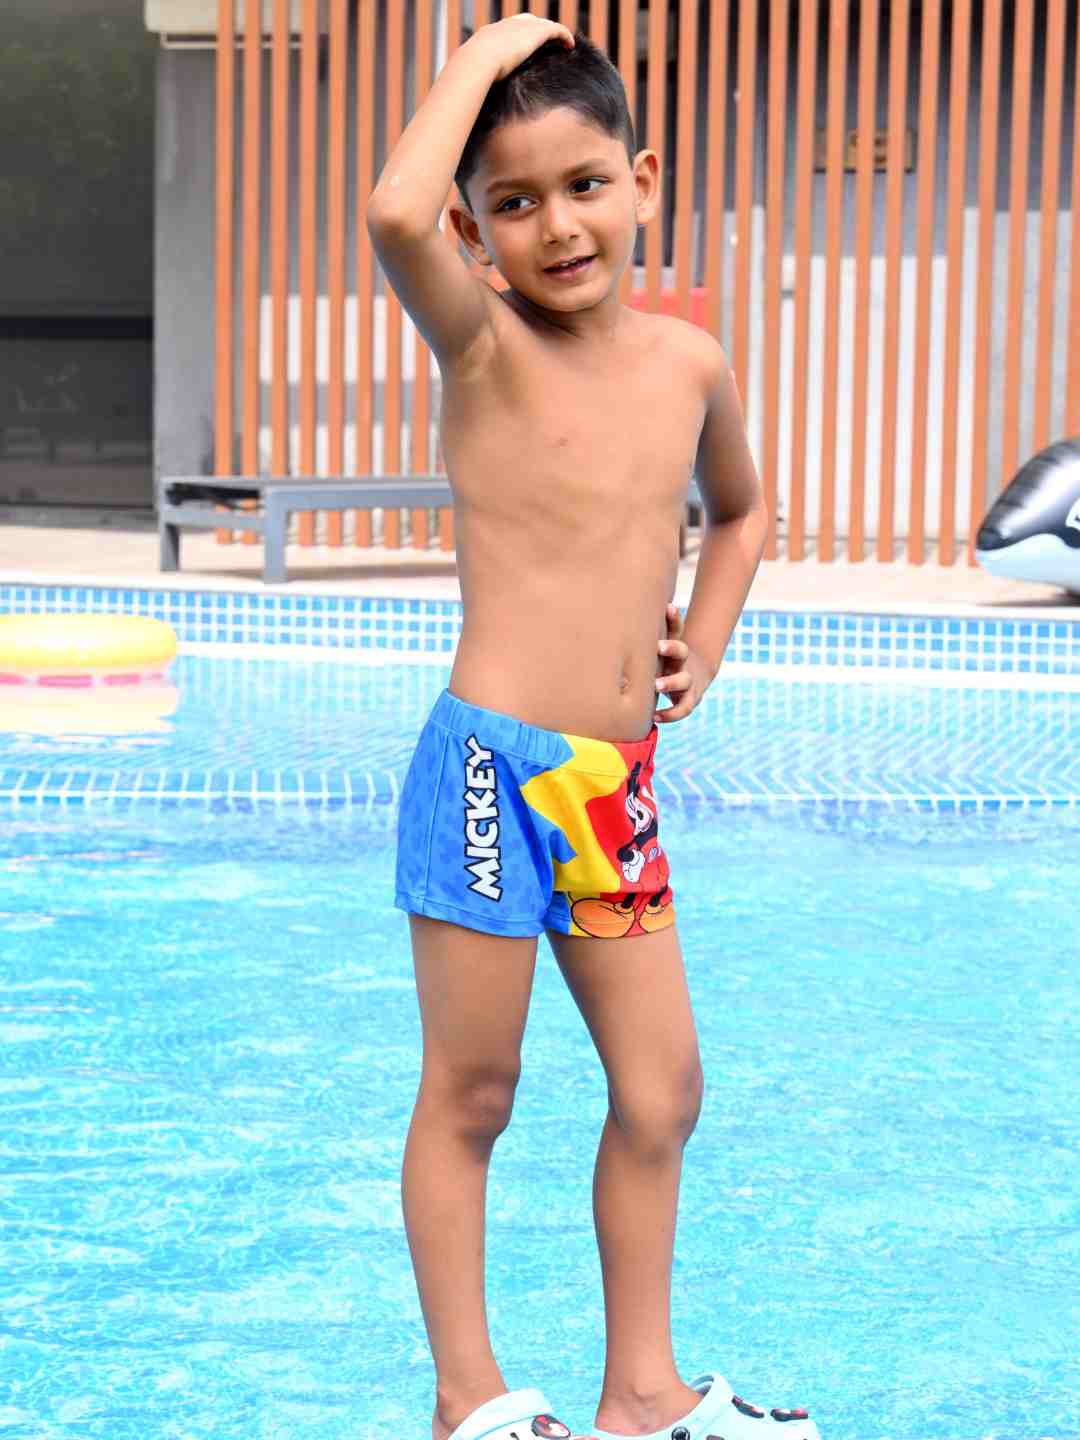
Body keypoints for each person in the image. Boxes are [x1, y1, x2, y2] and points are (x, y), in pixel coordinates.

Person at [367, 16, 820, 1440]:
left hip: (613, 787)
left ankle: (644, 1393)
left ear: (644, 181)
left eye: (585, 183)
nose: (557, 225)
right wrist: (500, 37)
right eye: (513, 202)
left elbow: (742, 511)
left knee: (663, 1091)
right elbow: (392, 211)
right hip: (492, 771)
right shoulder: (483, 345)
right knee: (475, 1092)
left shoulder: (689, 365)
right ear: (475, 232)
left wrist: (708, 639)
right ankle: (472, 1400)